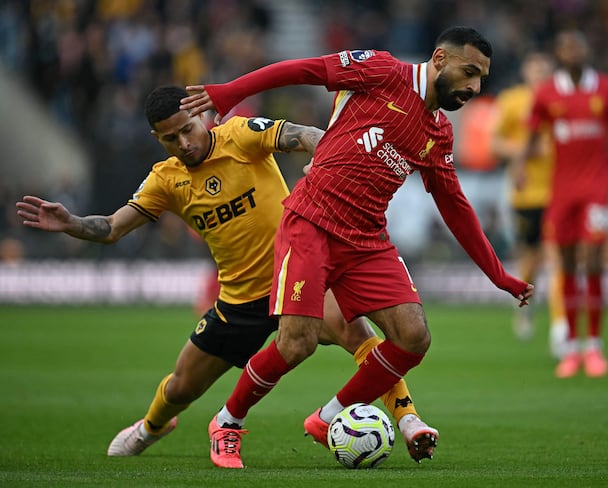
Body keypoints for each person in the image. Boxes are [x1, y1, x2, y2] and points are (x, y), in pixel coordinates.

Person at [15, 85, 437, 469]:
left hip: (299, 274)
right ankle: (150, 427)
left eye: (187, 129)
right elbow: (111, 227)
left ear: (202, 117)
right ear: (157, 139)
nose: (184, 142)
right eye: (170, 138)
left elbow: (303, 133)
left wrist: (323, 157)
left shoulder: (240, 135)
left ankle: (408, 421)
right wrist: (71, 223)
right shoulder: (166, 180)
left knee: (361, 339)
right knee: (182, 387)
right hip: (240, 301)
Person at [180, 26, 534, 468]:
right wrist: (227, 93)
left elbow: (456, 207)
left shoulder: (438, 133)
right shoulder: (382, 71)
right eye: (468, 73)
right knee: (297, 344)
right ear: (440, 60)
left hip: (366, 239)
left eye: (481, 79)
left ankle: (328, 418)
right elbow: (305, 69)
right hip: (312, 221)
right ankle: (227, 422)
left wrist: (499, 275)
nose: (474, 88)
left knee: (413, 337)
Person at [514, 30, 608, 378]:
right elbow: (532, 134)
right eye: (565, 46)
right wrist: (521, 168)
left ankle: (593, 345)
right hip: (562, 192)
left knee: (594, 260)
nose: (571, 51)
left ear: (586, 49)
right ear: (558, 53)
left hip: (597, 188)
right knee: (566, 264)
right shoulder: (548, 93)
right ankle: (570, 349)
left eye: (576, 45)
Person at [492, 50, 569, 356]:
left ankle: (560, 327)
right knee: (530, 261)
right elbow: (494, 144)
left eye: (544, 69)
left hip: (559, 193)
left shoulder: (560, 101)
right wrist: (525, 151)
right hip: (525, 195)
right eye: (534, 69)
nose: (538, 75)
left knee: (557, 258)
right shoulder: (512, 101)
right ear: (525, 71)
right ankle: (524, 304)